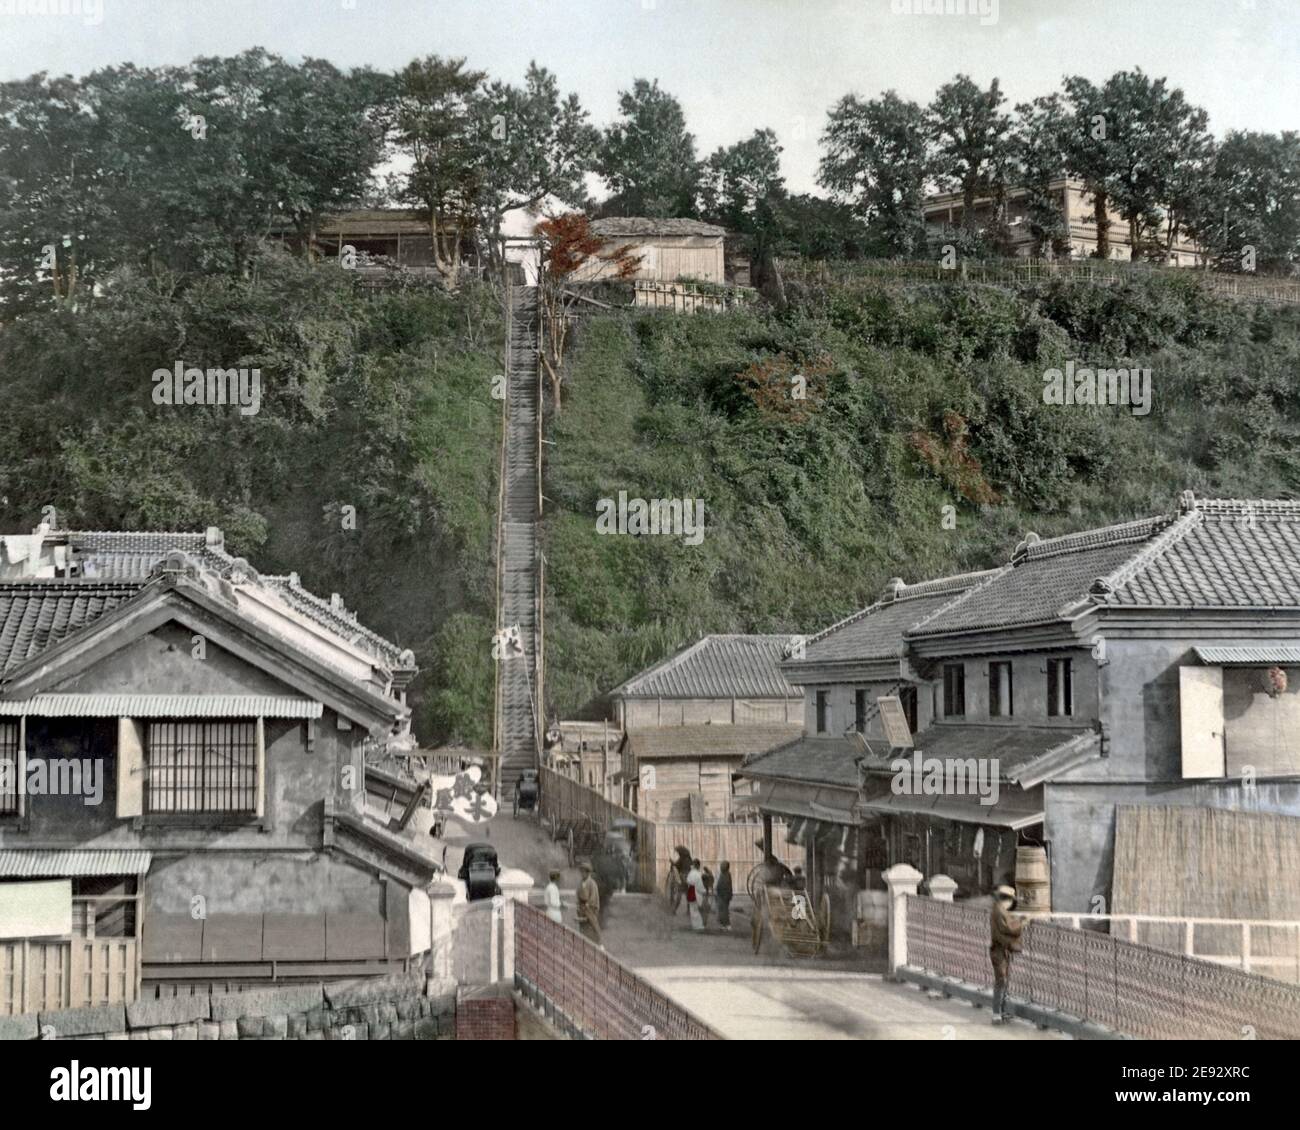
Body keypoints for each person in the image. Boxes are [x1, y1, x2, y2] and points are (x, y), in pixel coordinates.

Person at [989, 884, 1025, 1024]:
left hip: (1001, 950)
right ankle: (997, 1013)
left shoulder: (999, 910)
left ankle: (1001, 1011)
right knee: (1001, 981)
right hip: (999, 951)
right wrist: (1022, 922)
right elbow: (1008, 928)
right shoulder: (999, 911)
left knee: (1003, 981)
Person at [577, 862, 603, 947]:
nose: (582, 874)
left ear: (588, 873)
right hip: (582, 909)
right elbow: (578, 895)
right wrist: (579, 904)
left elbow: (593, 897)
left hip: (590, 909)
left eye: (584, 872)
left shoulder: (592, 884)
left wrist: (588, 904)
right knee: (583, 929)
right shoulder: (580, 883)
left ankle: (599, 945)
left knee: (593, 928)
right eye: (581, 872)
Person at [685, 859, 705, 932]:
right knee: (695, 909)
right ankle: (698, 925)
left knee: (693, 910)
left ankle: (696, 925)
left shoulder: (692, 873)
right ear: (698, 866)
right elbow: (699, 886)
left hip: (692, 891)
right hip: (695, 892)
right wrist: (703, 891)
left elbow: (688, 881)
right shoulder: (698, 874)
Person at [715, 861, 733, 931]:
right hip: (722, 895)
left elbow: (725, 886)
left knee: (724, 911)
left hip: (724, 896)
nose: (721, 867)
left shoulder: (726, 875)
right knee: (722, 911)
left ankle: (727, 925)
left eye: (722, 866)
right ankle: (723, 925)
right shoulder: (723, 874)